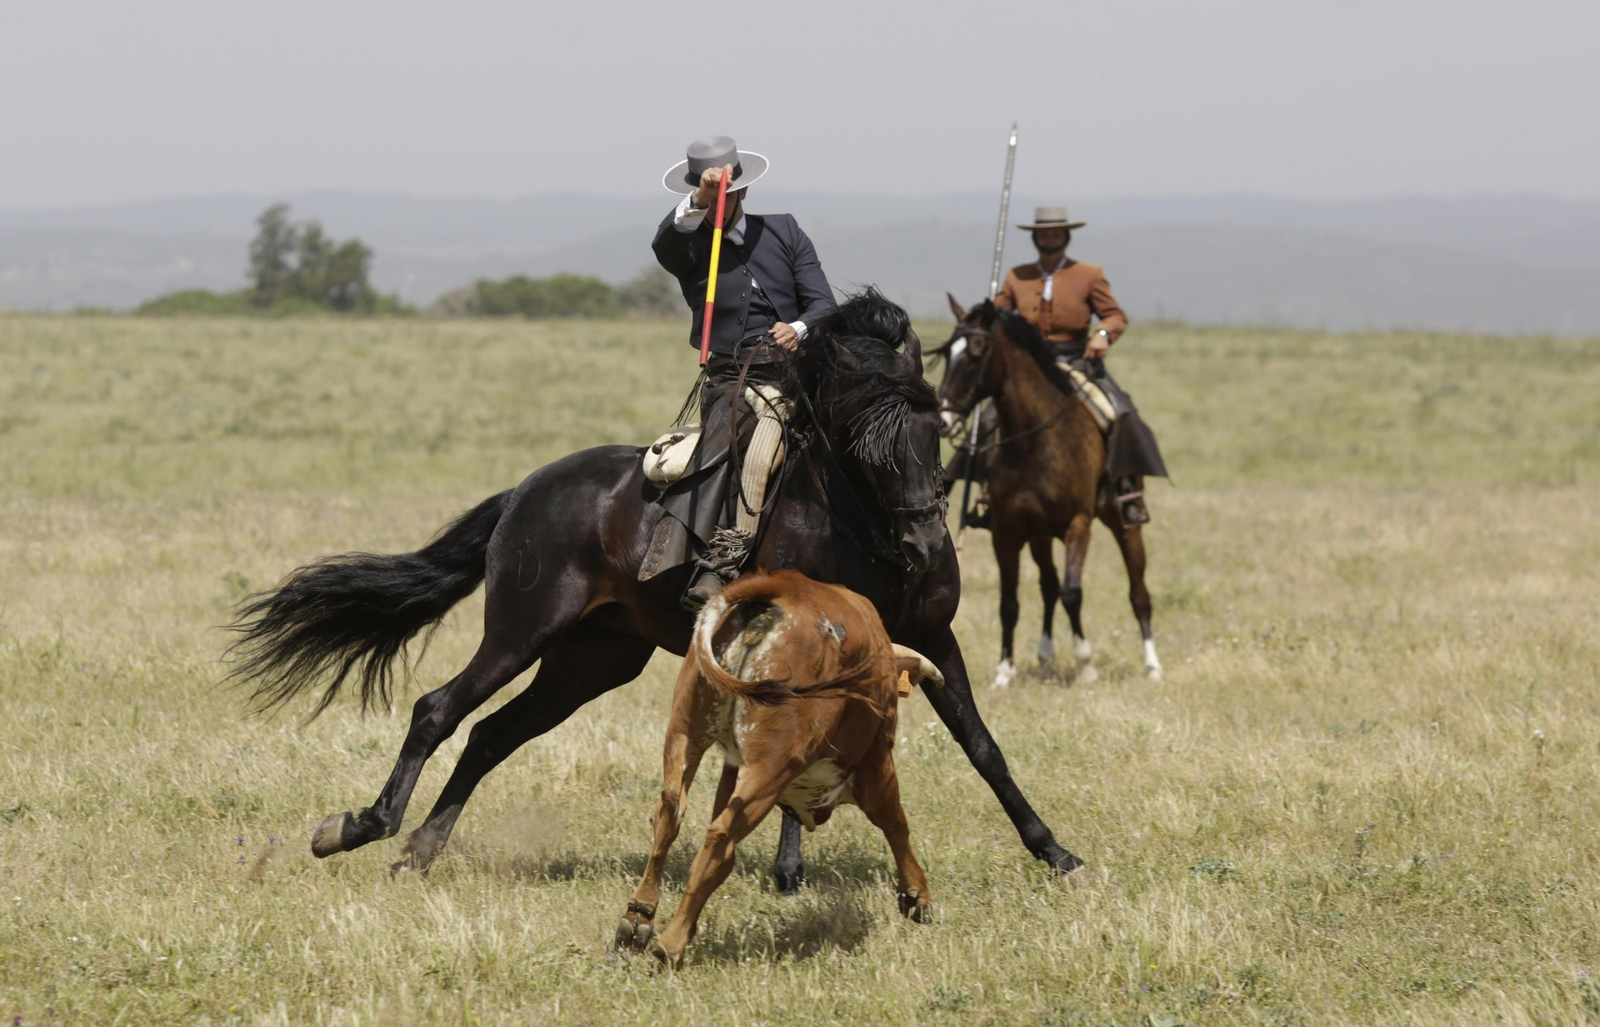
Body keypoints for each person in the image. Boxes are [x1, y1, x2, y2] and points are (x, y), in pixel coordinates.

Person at [651, 135, 836, 609]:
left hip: (799, 372)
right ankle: (717, 562)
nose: (720, 202)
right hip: (735, 379)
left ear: (744, 192)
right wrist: (699, 199)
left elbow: (823, 304)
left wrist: (798, 328)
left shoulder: (784, 230)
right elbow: (665, 244)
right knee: (738, 443)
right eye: (712, 195)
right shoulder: (689, 246)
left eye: (727, 193)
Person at [995, 205, 1165, 525]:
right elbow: (997, 315)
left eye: (1056, 233)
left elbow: (1115, 316)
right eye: (1044, 234)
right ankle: (984, 493)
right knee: (987, 415)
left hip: (1077, 361)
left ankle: (1126, 492)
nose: (1050, 239)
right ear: (1035, 238)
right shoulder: (1016, 276)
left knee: (1119, 412)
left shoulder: (1089, 275)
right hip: (1028, 368)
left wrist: (1101, 335)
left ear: (1066, 237)